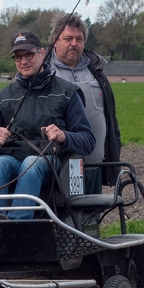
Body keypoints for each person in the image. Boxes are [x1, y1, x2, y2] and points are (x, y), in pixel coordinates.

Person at [0, 30, 94, 219]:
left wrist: (64, 136)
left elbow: (88, 140)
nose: (24, 61)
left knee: (31, 163)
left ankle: (20, 226)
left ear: (42, 53)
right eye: (18, 57)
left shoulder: (67, 92)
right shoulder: (2, 97)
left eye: (29, 55)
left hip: (52, 168)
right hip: (11, 162)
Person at [47, 13, 121, 182]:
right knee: (64, 209)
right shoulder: (44, 72)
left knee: (94, 208)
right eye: (68, 38)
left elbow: (110, 119)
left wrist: (113, 156)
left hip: (95, 165)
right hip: (58, 168)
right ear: (54, 40)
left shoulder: (96, 71)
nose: (74, 44)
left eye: (79, 39)